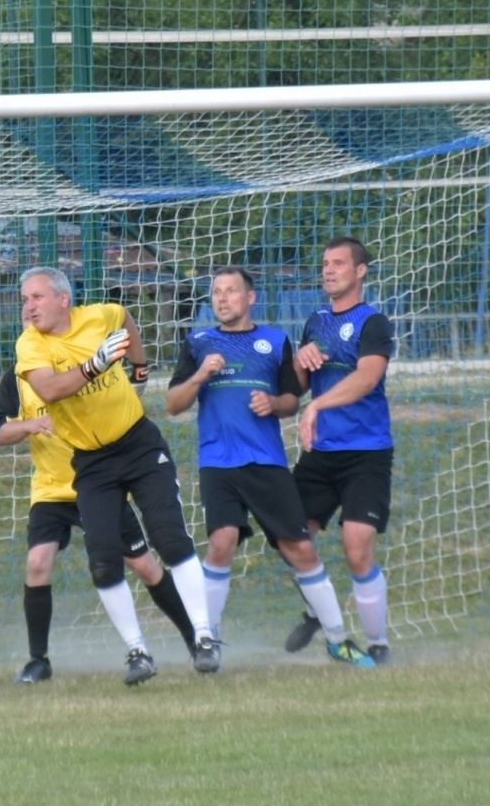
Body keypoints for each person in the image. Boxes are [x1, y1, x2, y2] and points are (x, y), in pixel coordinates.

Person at [15, 265, 217, 685]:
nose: (29, 306)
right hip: (92, 463)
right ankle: (138, 652)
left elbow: (124, 316)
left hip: (138, 445)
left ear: (64, 299)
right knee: (104, 562)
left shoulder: (97, 316)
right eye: (25, 299)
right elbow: (50, 390)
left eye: (37, 297)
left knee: (168, 538)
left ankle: (203, 637)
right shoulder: (30, 344)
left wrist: (139, 369)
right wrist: (96, 364)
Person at [165, 266, 373, 668]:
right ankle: (208, 642)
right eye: (216, 292)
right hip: (218, 462)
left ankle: (337, 640)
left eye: (230, 291)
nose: (221, 299)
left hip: (267, 462)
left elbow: (291, 400)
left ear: (250, 298)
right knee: (221, 541)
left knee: (300, 548)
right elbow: (173, 405)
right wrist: (201, 376)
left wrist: (273, 404)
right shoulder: (198, 343)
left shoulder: (275, 341)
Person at [0, 367, 196, 684]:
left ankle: (196, 639)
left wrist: (138, 371)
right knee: (37, 563)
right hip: (51, 491)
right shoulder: (18, 377)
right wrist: (30, 425)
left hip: (97, 483)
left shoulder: (81, 364)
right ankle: (38, 661)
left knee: (145, 566)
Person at [283, 236, 396, 665]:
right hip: (321, 453)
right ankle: (319, 611)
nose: (328, 270)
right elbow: (298, 387)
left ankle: (378, 644)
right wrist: (301, 359)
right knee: (289, 537)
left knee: (357, 548)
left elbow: (367, 379)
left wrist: (317, 407)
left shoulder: (373, 323)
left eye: (338, 263)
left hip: (366, 453)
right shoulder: (314, 322)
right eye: (325, 263)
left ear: (360, 271)